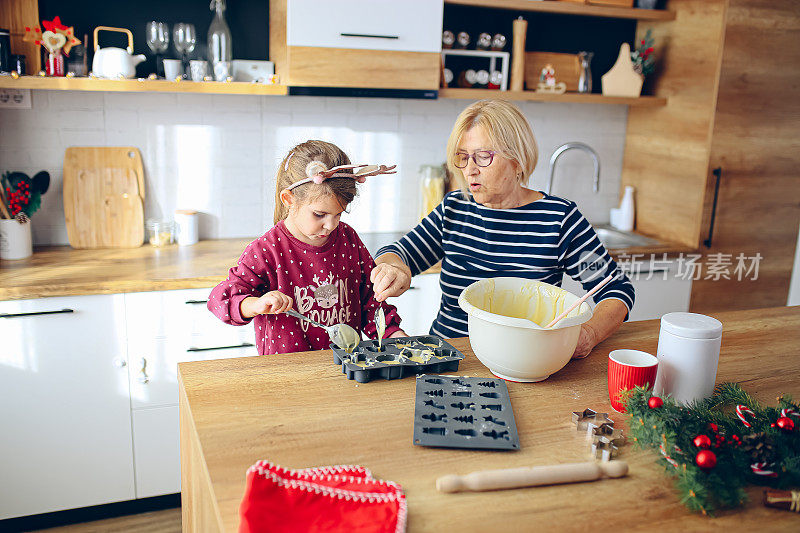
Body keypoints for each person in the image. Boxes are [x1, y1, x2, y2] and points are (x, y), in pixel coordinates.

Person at [370, 100, 634, 359]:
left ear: (517, 159)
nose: (469, 170)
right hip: (447, 358)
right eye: (463, 157)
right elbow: (397, 252)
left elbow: (616, 290)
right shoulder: (455, 208)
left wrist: (589, 333)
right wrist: (394, 268)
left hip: (525, 361)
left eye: (483, 157)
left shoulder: (560, 219)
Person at [208, 140, 405, 355]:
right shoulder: (267, 250)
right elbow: (221, 300)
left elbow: (370, 300)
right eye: (320, 214)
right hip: (288, 374)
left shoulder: (348, 238)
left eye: (338, 214)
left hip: (346, 367)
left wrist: (393, 334)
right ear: (288, 199)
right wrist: (256, 304)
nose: (331, 225)